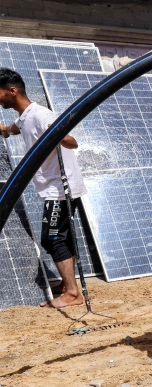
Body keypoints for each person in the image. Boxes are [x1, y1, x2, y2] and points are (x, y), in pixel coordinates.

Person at [0, 68, 87, 308]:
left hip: (61, 189)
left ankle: (72, 294)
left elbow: (70, 141)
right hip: (54, 188)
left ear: (12, 90)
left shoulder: (40, 114)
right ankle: (69, 284)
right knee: (61, 236)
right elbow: (15, 128)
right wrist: (4, 130)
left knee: (52, 238)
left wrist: (55, 135)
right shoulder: (24, 116)